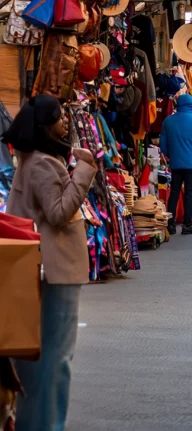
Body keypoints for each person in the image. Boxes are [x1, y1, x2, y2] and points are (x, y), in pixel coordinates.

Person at [3, 95, 97, 431]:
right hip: (53, 272)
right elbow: (59, 212)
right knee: (54, 360)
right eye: (59, 118)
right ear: (45, 125)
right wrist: (84, 170)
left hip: (41, 270)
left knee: (37, 359)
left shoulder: (33, 159)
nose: (66, 122)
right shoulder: (43, 163)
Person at [160, 94, 192, 235]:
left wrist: (171, 155)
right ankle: (187, 224)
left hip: (176, 164)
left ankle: (171, 224)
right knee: (189, 194)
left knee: (174, 193)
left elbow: (163, 145)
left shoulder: (168, 121)